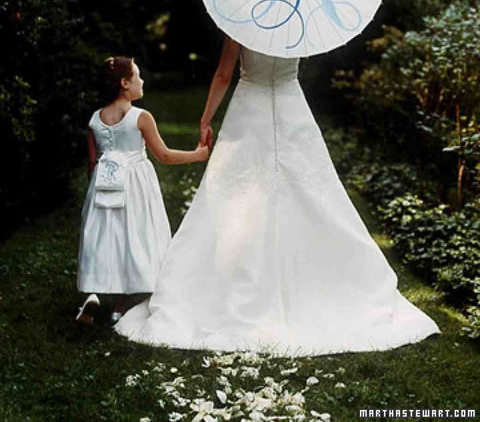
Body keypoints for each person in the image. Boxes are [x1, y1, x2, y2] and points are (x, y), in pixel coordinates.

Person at [114, 37, 441, 356]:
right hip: (290, 103)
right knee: (312, 188)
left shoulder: (241, 22)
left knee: (232, 193)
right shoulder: (297, 20)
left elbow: (224, 74)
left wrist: (206, 118)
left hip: (249, 107)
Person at [76, 56, 209, 325]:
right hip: (134, 184)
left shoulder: (95, 119)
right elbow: (165, 155)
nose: (142, 80)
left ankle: (94, 294)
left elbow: (92, 161)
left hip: (102, 184)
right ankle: (120, 307)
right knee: (132, 234)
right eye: (138, 76)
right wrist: (199, 154)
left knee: (104, 236)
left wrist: (98, 186)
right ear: (125, 84)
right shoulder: (140, 117)